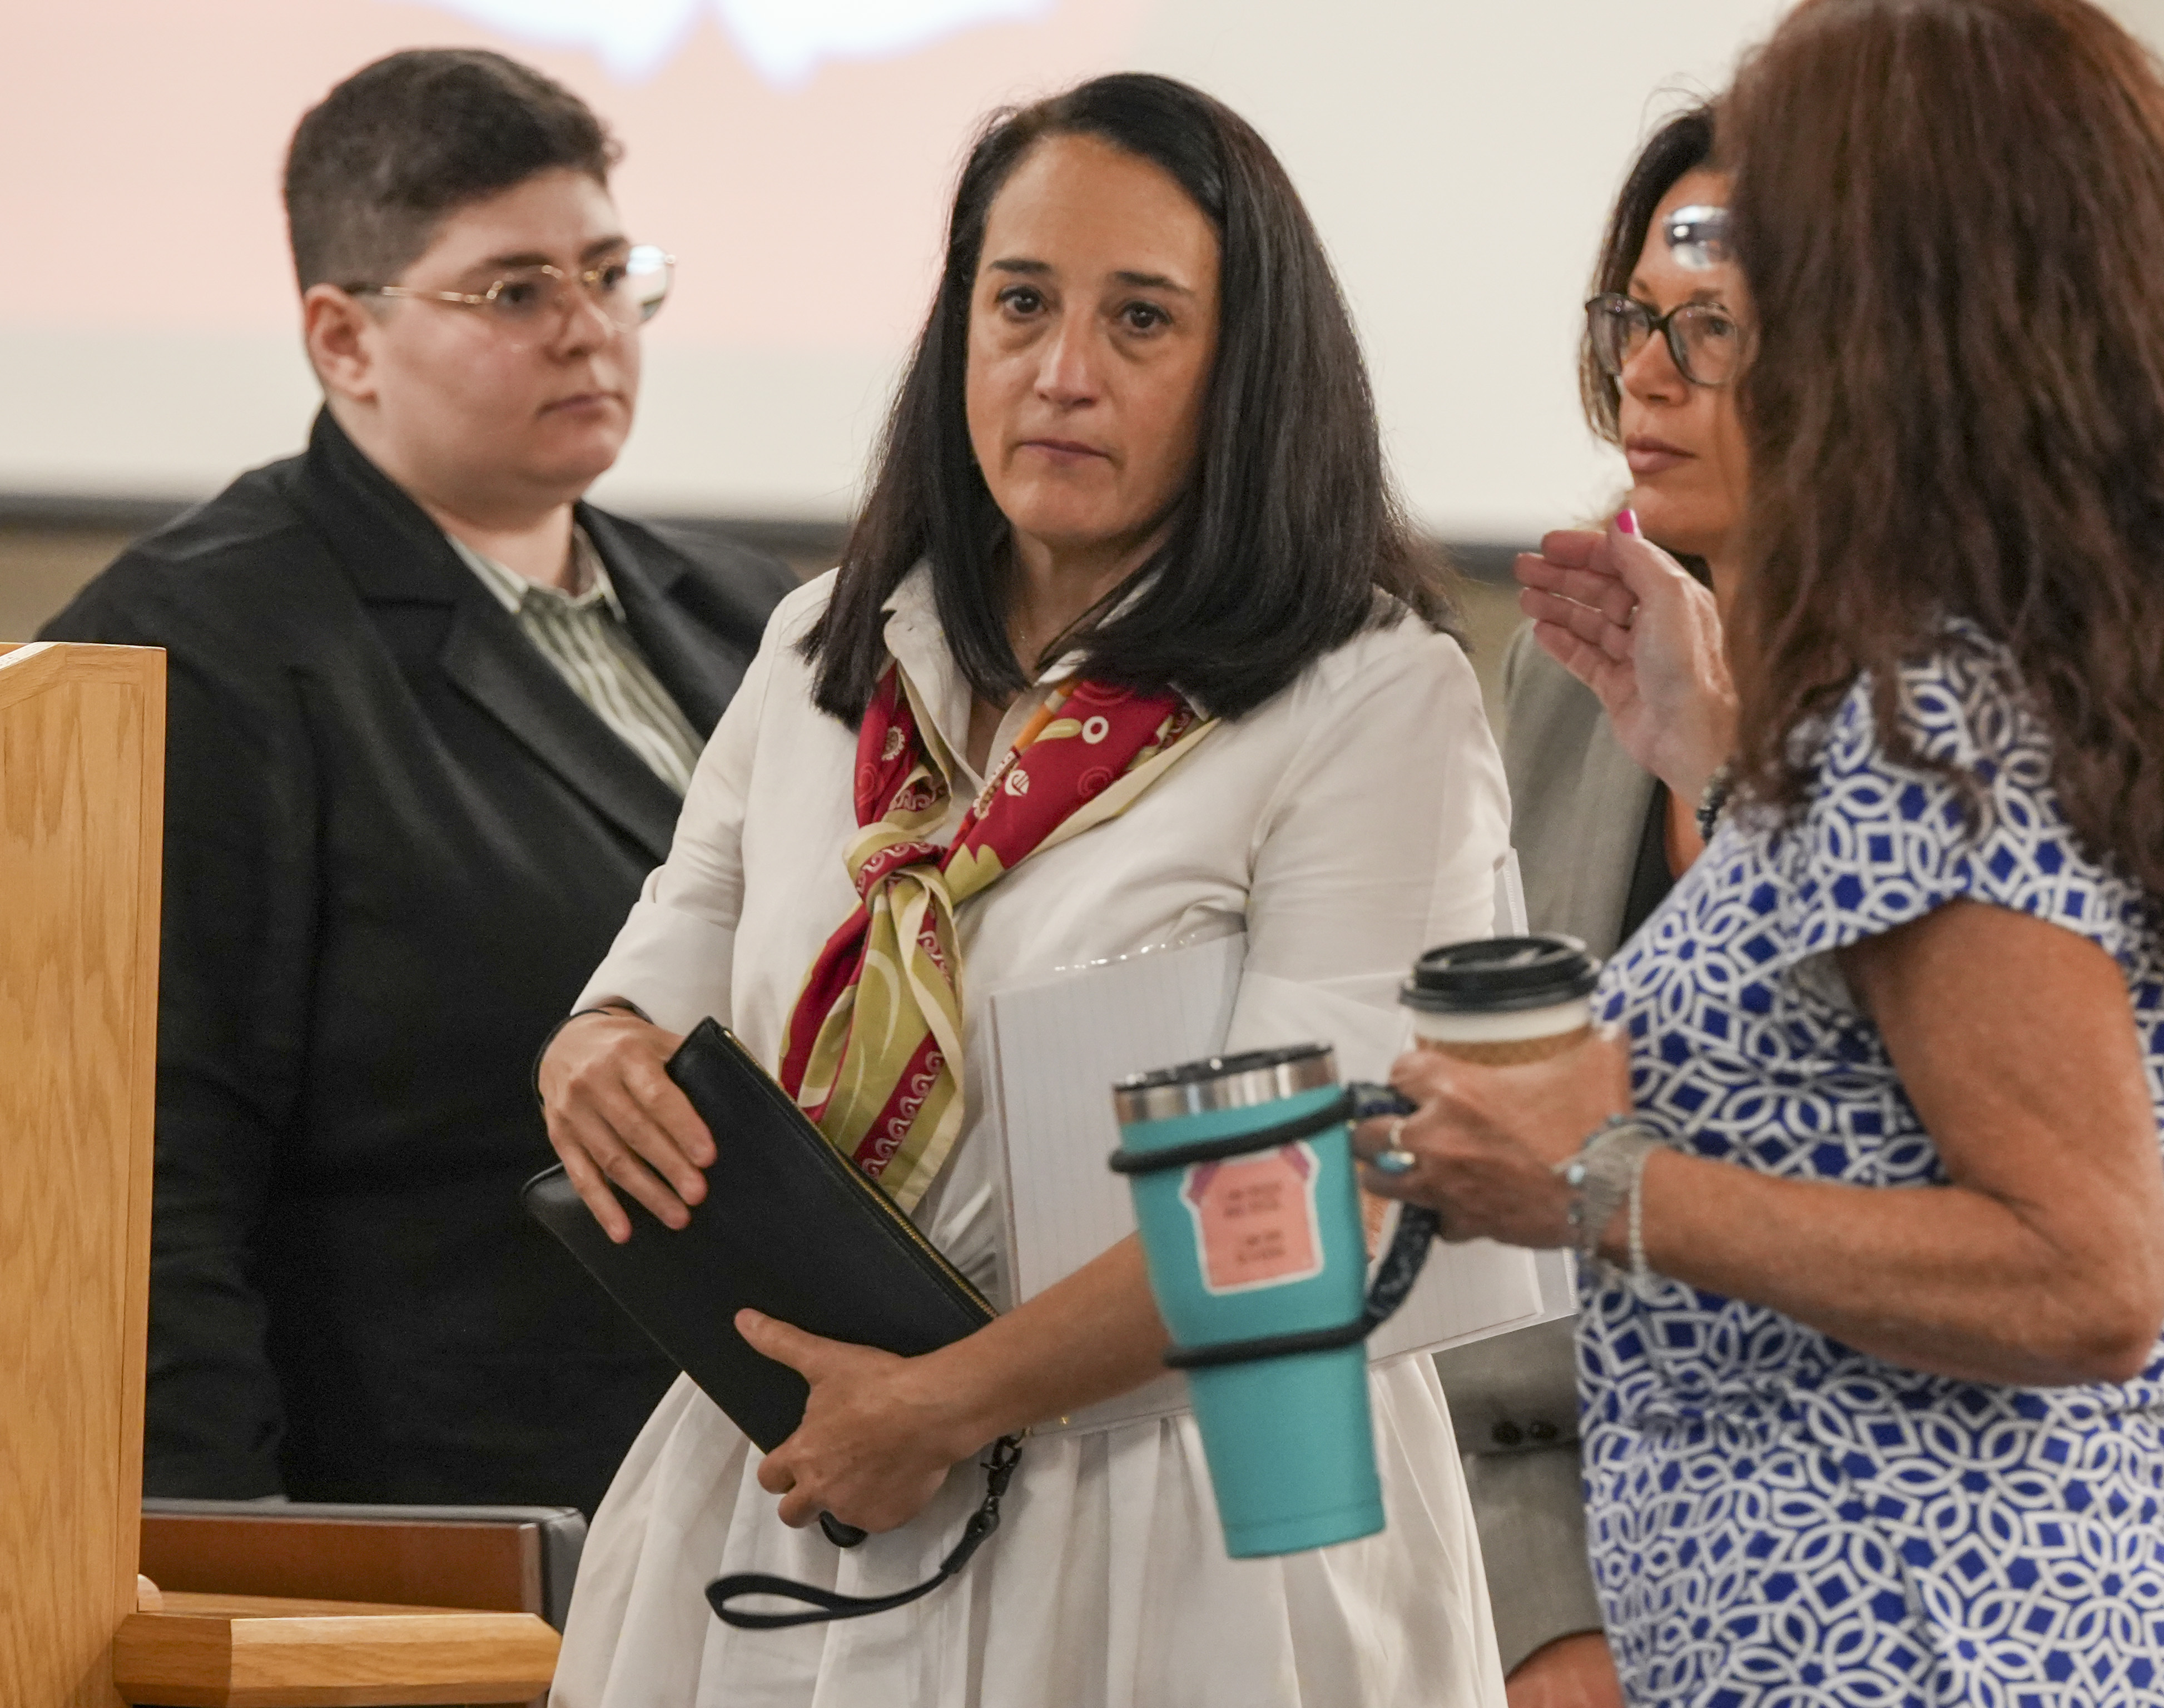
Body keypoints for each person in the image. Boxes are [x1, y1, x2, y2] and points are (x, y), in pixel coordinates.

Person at [1362, 0, 2164, 1700]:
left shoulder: (1927, 701)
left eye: (1746, 295)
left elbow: (2084, 1274)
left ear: (1893, 309)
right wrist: (1725, 768)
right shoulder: (1961, 680)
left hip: (1938, 1655)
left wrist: (1594, 1183)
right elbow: (1883, 1083)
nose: (1661, 369)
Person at [538, 72, 1514, 1708]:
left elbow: (1325, 1196)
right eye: (1020, 304)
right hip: (813, 1469)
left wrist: (945, 1403)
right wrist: (594, 1057)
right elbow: (660, 970)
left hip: (1195, 1509)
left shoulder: (1367, 698)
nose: (1063, 373)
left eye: (1142, 320)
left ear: (1246, 371)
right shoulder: (824, 649)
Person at [41, 49, 794, 1512]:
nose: (591, 332)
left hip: (789, 1501)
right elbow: (139, 1194)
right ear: (343, 339)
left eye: (608, 271)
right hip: (451, 1533)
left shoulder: (753, 614)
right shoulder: (193, 654)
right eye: (516, 292)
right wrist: (210, 1577)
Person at [1433, 103, 1731, 1708]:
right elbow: (1484, 1246)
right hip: (1585, 1614)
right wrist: (1547, 1622)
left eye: (1715, 330)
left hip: (1905, 1591)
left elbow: (2079, 1284)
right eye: (1633, 322)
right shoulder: (1573, 656)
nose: (1646, 378)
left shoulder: (2020, 703)